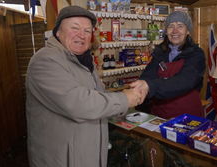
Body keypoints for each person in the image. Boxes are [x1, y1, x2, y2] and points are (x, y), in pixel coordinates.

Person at [25, 6, 143, 167]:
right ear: (58, 32)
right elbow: (78, 103)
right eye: (75, 28)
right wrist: (124, 99)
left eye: (87, 31)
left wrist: (123, 97)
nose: (82, 35)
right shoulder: (45, 60)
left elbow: (95, 96)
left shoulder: (84, 61)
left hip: (87, 152)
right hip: (63, 158)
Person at [130, 11, 206, 119]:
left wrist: (150, 86)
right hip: (160, 115)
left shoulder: (196, 54)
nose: (175, 31)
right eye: (171, 26)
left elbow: (184, 81)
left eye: (180, 26)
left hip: (187, 115)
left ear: (188, 31)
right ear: (166, 31)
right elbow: (148, 75)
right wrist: (142, 85)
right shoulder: (160, 52)